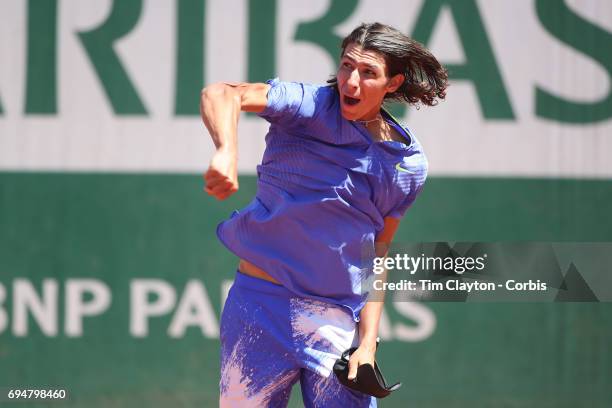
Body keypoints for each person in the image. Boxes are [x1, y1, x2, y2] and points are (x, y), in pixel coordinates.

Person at [200, 22, 448, 408]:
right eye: (348, 66)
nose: (352, 81)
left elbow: (377, 255)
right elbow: (222, 94)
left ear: (393, 83)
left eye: (368, 73)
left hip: (332, 321)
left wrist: (367, 344)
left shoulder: (405, 164)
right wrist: (226, 150)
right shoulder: (307, 105)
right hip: (257, 307)